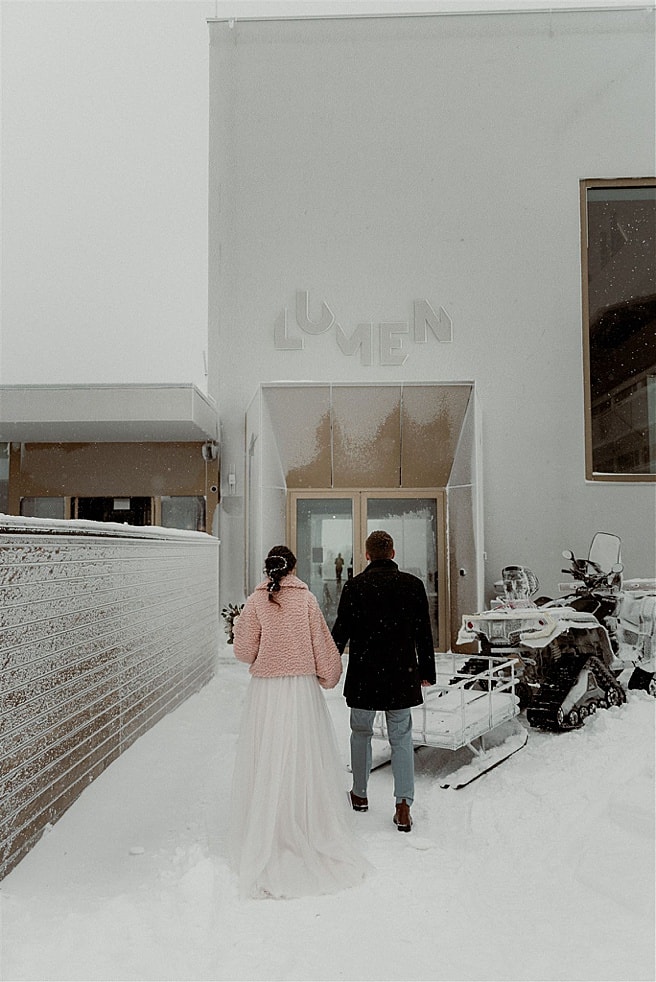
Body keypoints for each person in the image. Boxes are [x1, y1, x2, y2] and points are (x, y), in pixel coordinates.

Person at [230, 545, 370, 899]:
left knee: (268, 756)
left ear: (268, 569)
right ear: (293, 568)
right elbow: (324, 646)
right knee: (301, 758)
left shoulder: (256, 601)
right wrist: (329, 676)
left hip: (267, 691)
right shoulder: (305, 600)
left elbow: (244, 651)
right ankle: (304, 823)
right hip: (300, 691)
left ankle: (269, 827)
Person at [331, 530, 436, 833]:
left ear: (367, 555)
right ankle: (403, 805)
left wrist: (327, 662)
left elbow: (342, 631)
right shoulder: (412, 586)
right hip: (401, 675)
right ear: (392, 553)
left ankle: (360, 795)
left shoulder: (355, 586)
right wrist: (426, 671)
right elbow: (423, 633)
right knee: (401, 737)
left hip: (365, 674)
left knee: (360, 732)